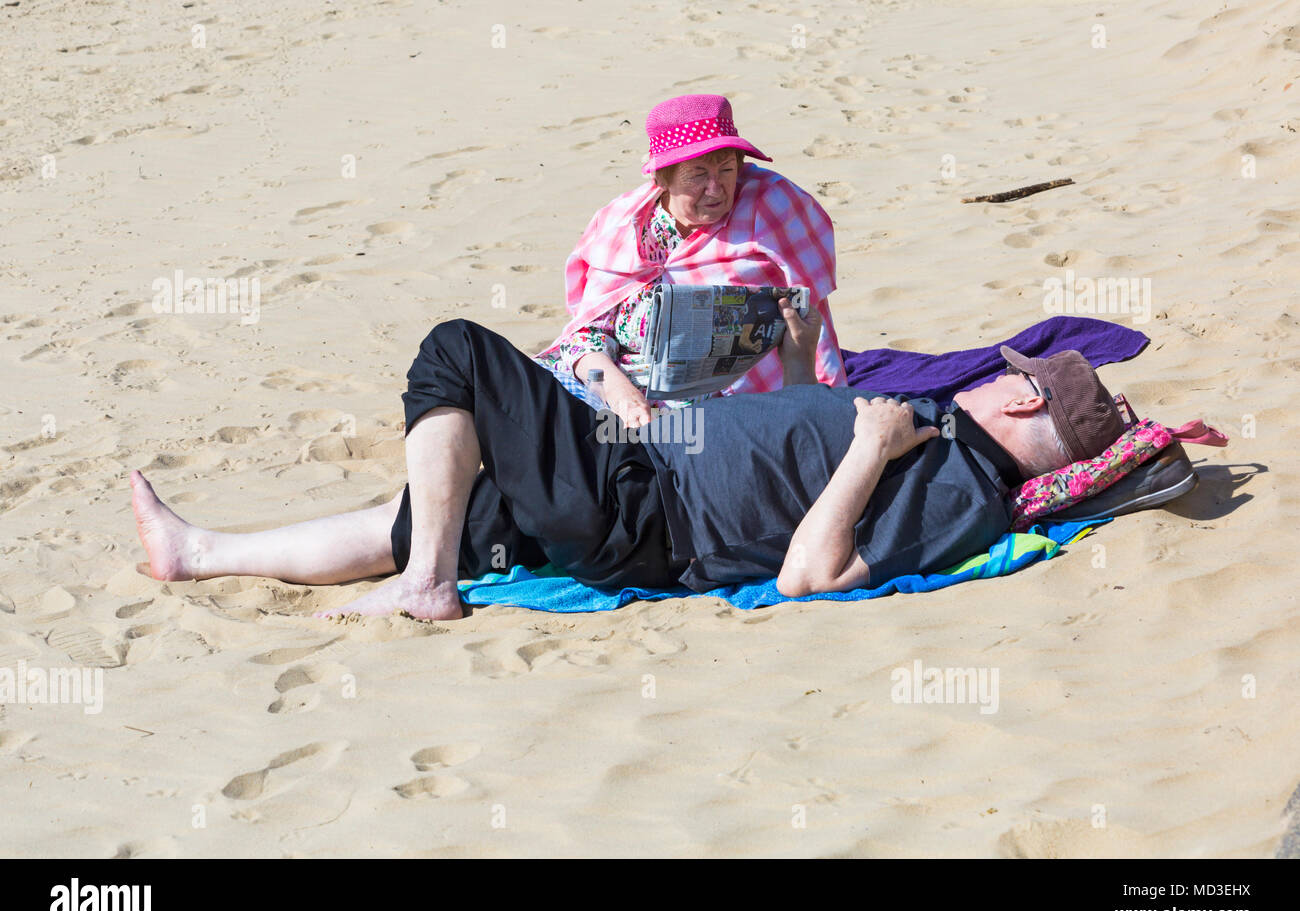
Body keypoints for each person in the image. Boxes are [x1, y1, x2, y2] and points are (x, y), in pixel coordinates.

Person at [130, 309, 1125, 620]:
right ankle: (201, 552)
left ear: (1024, 399)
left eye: (1009, 377)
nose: (990, 380)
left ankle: (429, 579)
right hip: (633, 475)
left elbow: (807, 575)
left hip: (643, 515)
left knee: (455, 355)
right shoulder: (944, 447)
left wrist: (866, 447)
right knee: (428, 506)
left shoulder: (961, 493)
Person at [536, 94, 847, 427]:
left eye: (727, 170)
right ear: (661, 179)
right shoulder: (622, 227)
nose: (715, 190)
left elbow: (810, 315)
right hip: (608, 393)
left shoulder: (771, 209)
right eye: (696, 175)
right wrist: (621, 396)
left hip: (717, 414)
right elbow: (584, 340)